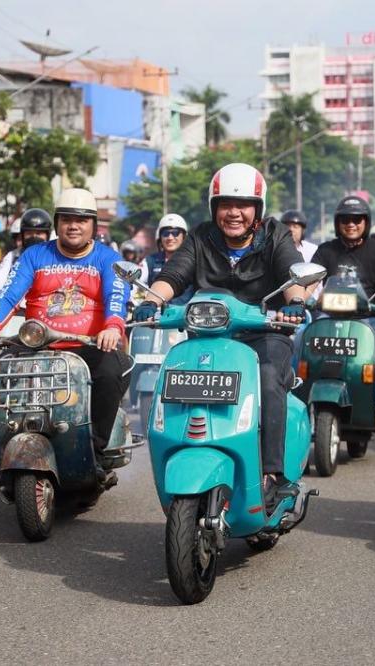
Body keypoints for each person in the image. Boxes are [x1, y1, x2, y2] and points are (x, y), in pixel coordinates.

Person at [132, 163, 309, 510]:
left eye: (243, 205)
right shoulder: (200, 237)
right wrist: (152, 300)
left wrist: (296, 303)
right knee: (174, 375)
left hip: (264, 334)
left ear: (257, 208)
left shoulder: (275, 235)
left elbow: (293, 272)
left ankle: (273, 475)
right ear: (215, 207)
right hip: (207, 336)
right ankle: (180, 450)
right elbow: (175, 272)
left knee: (270, 375)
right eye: (226, 204)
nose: (234, 213)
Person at [0, 189, 130, 477]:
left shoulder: (108, 258)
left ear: (93, 225)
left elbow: (115, 297)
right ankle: (7, 447)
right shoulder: (35, 255)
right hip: (38, 345)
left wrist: (112, 326)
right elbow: (9, 296)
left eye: (81, 220)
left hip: (88, 347)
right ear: (57, 223)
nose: (73, 225)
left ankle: (95, 451)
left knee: (112, 372)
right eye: (67, 219)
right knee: (1, 375)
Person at [311, 196, 375, 427]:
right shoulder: (326, 250)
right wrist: (297, 299)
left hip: (370, 318)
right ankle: (298, 401)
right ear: (337, 222)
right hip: (329, 316)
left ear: (366, 222)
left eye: (357, 219)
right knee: (302, 340)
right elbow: (310, 281)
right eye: (345, 219)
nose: (351, 224)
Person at [0, 208, 52, 308]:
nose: (34, 237)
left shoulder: (54, 256)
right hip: (16, 312)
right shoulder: (13, 257)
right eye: (29, 233)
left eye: (38, 233)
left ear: (47, 235)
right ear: (23, 235)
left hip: (47, 313)